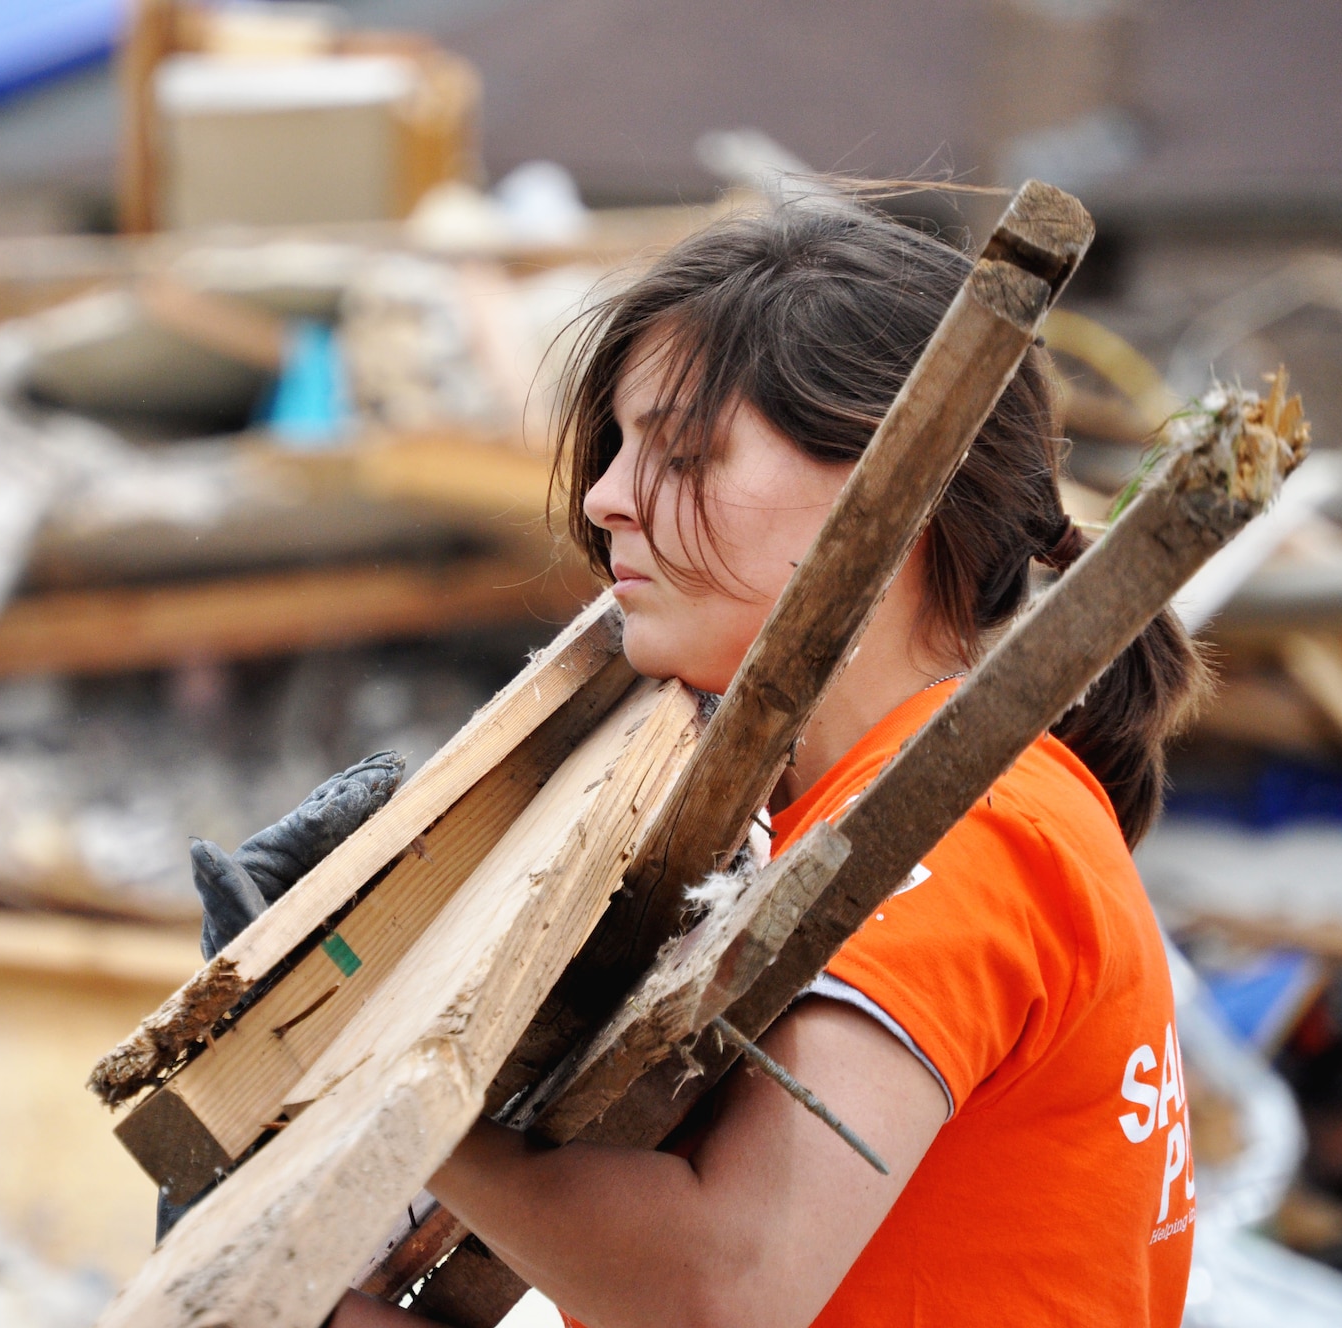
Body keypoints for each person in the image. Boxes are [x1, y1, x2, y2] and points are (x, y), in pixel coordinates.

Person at [189, 200, 1206, 1327]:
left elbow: (722, 1288)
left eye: (680, 451)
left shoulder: (960, 823)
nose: (603, 497)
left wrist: (357, 1060)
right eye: (619, 447)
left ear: (894, 485)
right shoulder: (859, 812)